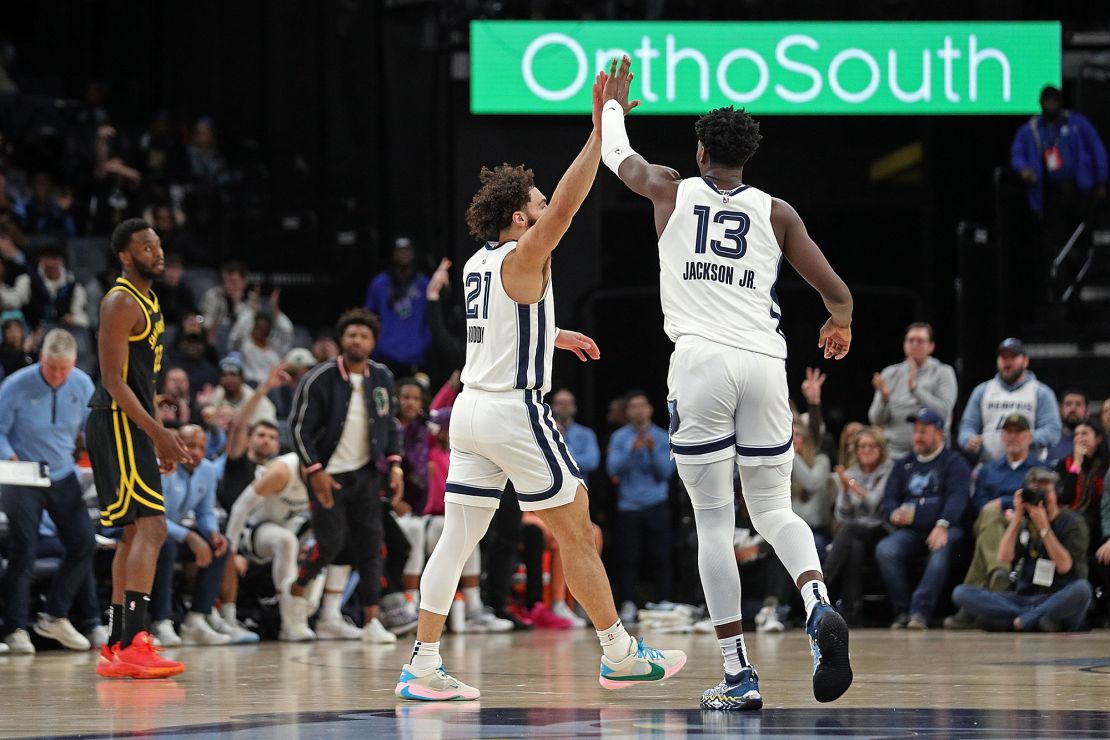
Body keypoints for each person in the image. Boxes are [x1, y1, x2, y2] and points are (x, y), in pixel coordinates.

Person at [396, 67, 685, 703]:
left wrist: (553, 335)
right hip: (512, 412)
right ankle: (619, 653)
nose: (547, 200)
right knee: (577, 525)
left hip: (469, 412)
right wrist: (602, 128)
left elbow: (496, 327)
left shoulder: (482, 263)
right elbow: (572, 204)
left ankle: (421, 663)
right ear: (524, 214)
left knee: (455, 538)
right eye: (539, 197)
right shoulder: (529, 254)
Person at [600, 55, 852, 709]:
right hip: (766, 364)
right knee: (774, 510)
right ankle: (817, 600)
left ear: (701, 149)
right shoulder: (778, 212)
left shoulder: (667, 186)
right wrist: (840, 323)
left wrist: (611, 107)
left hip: (702, 363)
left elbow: (615, 155)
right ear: (747, 157)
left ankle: (739, 674)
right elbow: (836, 290)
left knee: (714, 521)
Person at [86, 218, 191, 679]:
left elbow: (137, 378)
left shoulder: (149, 300)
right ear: (125, 256)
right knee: (153, 528)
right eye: (146, 247)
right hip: (116, 423)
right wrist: (157, 432)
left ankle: (116, 645)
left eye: (158, 244)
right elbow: (111, 380)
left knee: (134, 534)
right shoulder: (121, 301)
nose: (156, 252)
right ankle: (134, 641)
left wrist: (157, 417)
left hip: (130, 422)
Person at [287, 308, 405, 644]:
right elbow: (298, 429)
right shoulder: (320, 378)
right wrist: (315, 471)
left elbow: (391, 424)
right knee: (330, 543)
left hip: (366, 475)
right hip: (328, 476)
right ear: (342, 340)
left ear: (373, 342)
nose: (357, 340)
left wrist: (394, 464)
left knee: (371, 547)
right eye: (352, 335)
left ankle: (371, 621)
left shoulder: (381, 377)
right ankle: (295, 595)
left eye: (364, 336)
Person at [0, 329, 96, 654]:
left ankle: (54, 615)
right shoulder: (15, 386)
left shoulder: (83, 384)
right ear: (41, 358)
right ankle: (15, 629)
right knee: (23, 550)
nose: (56, 375)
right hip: (22, 473)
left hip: (62, 472)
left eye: (63, 369)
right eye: (51, 367)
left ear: (73, 364)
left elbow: (89, 428)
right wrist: (6, 454)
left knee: (83, 542)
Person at [952, 468, 1092, 632]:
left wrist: (1044, 528)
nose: (1041, 499)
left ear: (1056, 494)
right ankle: (1036, 619)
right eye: (1034, 493)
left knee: (1082, 589)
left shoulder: (1073, 523)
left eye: (1045, 492)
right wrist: (1017, 517)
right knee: (961, 593)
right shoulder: (1026, 522)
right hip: (1024, 598)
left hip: (1059, 597)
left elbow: (1064, 566)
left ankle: (1021, 622)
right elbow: (1004, 557)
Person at [945, 413, 1042, 630]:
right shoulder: (988, 470)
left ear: (1029, 436)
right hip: (992, 523)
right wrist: (997, 510)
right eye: (1009, 432)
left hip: (1026, 523)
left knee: (987, 531)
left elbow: (1039, 498)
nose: (1013, 437)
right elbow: (980, 504)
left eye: (1019, 432)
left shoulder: (1038, 469)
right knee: (989, 519)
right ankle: (999, 572)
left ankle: (970, 607)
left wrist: (1005, 503)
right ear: (1002, 437)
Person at [876, 409, 971, 630]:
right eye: (916, 431)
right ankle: (902, 611)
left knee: (941, 548)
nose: (917, 436)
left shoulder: (954, 462)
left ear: (939, 433)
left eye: (923, 431)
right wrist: (893, 513)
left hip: (945, 527)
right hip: (911, 530)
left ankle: (920, 611)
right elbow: (888, 498)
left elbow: (958, 498)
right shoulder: (903, 464)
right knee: (886, 549)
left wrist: (943, 524)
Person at [149, 425, 234, 647]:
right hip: (143, 530)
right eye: (189, 445)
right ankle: (161, 620)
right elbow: (153, 517)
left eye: (201, 447)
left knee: (220, 546)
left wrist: (212, 533)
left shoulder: (207, 470)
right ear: (177, 443)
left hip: (172, 531)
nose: (195, 452)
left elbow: (205, 511)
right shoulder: (162, 467)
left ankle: (196, 619)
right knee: (167, 547)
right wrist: (190, 537)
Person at [224, 451, 317, 641]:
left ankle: (316, 615)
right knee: (286, 542)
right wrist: (230, 551)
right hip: (254, 530)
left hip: (292, 527)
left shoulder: (326, 474)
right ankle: (289, 621)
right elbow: (240, 508)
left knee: (323, 549)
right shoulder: (281, 472)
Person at [1010, 85, 1107, 263]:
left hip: (1079, 191)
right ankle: (1060, 274)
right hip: (1050, 194)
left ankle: (1083, 264)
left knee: (1081, 233)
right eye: (1048, 101)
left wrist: (1101, 180)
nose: (1051, 105)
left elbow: (1096, 147)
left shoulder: (1077, 123)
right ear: (1041, 104)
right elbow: (1017, 153)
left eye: (1055, 101)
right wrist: (1023, 169)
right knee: (1055, 238)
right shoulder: (1031, 129)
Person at [605, 390, 674, 623]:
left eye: (642, 406)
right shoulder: (620, 438)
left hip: (656, 504)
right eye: (633, 407)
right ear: (628, 412)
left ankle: (663, 602)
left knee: (661, 557)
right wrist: (632, 450)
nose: (638, 410)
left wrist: (653, 450)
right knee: (628, 558)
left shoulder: (663, 437)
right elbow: (612, 469)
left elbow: (667, 472)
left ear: (650, 409)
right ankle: (628, 604)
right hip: (629, 506)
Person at [825, 427, 894, 624]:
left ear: (881, 449)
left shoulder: (888, 471)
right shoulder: (850, 473)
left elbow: (876, 505)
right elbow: (842, 513)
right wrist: (846, 492)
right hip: (855, 532)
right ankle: (852, 610)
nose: (867, 450)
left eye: (872, 446)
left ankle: (826, 576)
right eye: (862, 446)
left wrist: (854, 488)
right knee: (853, 546)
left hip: (882, 529)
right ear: (855, 450)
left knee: (849, 530)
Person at [958, 338, 1061, 464]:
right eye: (1003, 357)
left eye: (1013, 356)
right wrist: (968, 439)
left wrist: (1025, 438)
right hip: (990, 467)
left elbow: (1053, 430)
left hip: (1029, 470)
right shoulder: (982, 390)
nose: (1007, 361)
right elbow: (967, 426)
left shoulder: (1041, 392)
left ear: (1025, 361)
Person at [868, 323, 958, 457]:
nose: (915, 344)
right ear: (904, 344)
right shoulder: (890, 373)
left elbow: (943, 413)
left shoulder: (943, 372)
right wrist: (884, 398)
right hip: (893, 452)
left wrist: (915, 389)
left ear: (931, 346)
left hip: (931, 452)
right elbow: (875, 419)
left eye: (920, 341)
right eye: (910, 340)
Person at [364, 237, 431, 377]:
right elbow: (368, 317)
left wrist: (424, 344)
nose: (403, 254)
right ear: (393, 254)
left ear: (413, 254)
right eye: (399, 251)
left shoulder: (424, 283)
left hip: (415, 354)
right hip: (384, 355)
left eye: (407, 250)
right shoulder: (379, 283)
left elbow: (431, 318)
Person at [1047, 389, 1089, 466]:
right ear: (1060, 411)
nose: (1073, 408)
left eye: (1078, 404)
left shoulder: (1097, 441)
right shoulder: (1049, 440)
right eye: (1068, 404)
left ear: (1087, 412)